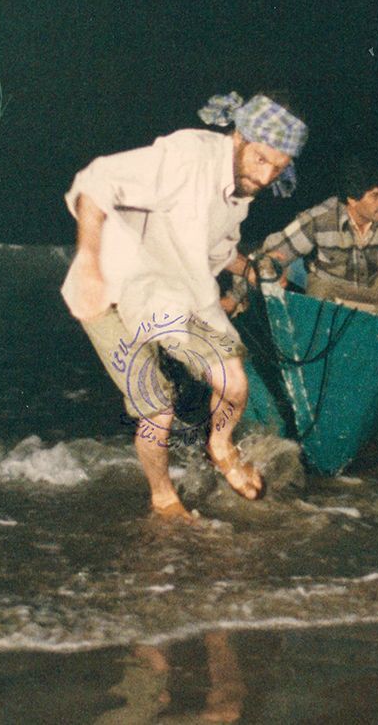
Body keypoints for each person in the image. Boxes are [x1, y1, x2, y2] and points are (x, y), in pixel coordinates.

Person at [61, 91, 308, 519]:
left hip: (164, 297)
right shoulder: (186, 156)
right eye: (262, 160)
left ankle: (220, 445)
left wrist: (251, 268)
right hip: (109, 293)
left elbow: (214, 248)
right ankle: (162, 496)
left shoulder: (240, 190)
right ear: (240, 136)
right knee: (157, 409)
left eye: (279, 168)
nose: (268, 177)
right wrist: (86, 262)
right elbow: (96, 179)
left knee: (233, 379)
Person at [255, 157, 378, 301]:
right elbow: (273, 253)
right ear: (352, 199)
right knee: (319, 292)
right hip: (333, 288)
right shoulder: (320, 218)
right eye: (376, 195)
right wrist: (267, 272)